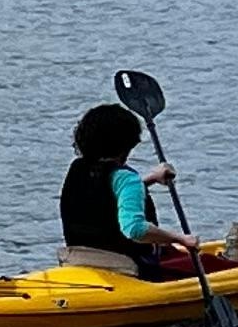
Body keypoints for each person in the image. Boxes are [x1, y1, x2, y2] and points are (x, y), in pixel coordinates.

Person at [60, 102, 205, 280]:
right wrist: (181, 239)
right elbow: (135, 230)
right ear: (126, 146)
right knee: (213, 265)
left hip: (81, 260)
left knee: (174, 254)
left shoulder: (78, 169)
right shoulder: (127, 179)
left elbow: (102, 200)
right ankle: (232, 260)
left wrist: (151, 178)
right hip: (130, 268)